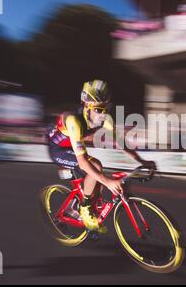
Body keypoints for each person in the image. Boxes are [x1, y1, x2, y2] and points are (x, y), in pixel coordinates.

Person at [47, 79, 156, 233]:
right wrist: (109, 182)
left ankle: (84, 203)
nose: (103, 113)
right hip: (57, 148)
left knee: (96, 177)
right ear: (86, 106)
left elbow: (121, 144)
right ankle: (85, 207)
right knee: (95, 166)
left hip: (73, 143)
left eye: (106, 107)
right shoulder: (73, 120)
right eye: (99, 109)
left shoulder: (106, 119)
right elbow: (83, 163)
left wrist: (141, 160)